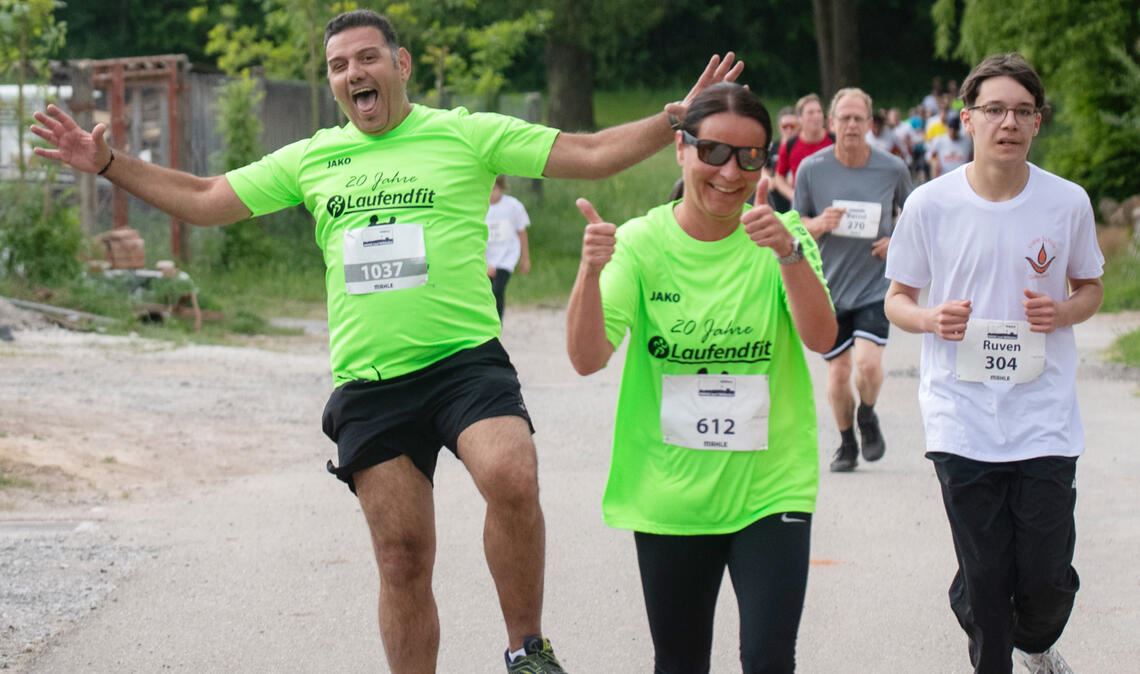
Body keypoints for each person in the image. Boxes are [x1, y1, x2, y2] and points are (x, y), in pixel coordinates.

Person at [30, 9, 744, 673]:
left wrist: (672, 121)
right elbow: (207, 198)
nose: (353, 73)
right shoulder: (314, 157)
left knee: (511, 474)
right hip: (371, 382)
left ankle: (527, 648)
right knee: (403, 557)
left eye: (367, 57)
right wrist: (107, 164)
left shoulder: (464, 133)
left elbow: (588, 152)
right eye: (339, 65)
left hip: (465, 362)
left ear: (399, 63)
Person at [566, 82, 837, 673]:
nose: (729, 172)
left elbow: (821, 340)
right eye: (713, 152)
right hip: (671, 492)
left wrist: (789, 254)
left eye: (749, 157)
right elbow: (588, 358)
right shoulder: (640, 243)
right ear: (681, 151)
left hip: (770, 489)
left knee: (769, 659)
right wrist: (590, 273)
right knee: (681, 661)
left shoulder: (781, 238)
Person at [884, 52, 1102, 674]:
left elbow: (1090, 288)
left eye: (1022, 111)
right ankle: (994, 646)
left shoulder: (1067, 203)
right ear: (968, 119)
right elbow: (898, 300)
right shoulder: (930, 204)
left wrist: (1062, 313)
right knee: (986, 576)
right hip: (961, 413)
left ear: (1038, 122)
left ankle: (1034, 638)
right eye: (995, 109)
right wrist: (929, 319)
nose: (1009, 122)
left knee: (1044, 577)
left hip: (1044, 416)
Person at [794, 87, 912, 472]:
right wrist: (819, 223)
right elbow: (795, 229)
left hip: (874, 286)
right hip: (828, 288)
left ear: (870, 124)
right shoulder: (812, 169)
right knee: (838, 371)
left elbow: (913, 223)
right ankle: (846, 444)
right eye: (843, 118)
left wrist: (895, 242)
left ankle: (868, 414)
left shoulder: (892, 168)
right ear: (831, 124)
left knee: (867, 364)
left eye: (858, 118)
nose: (851, 125)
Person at [771, 93, 833, 207]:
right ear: (800, 118)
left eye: (819, 111)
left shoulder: (835, 141)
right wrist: (794, 196)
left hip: (830, 203)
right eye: (811, 112)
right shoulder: (790, 145)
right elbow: (779, 177)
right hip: (802, 206)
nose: (817, 116)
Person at [485, 175, 531, 319]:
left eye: (495, 189)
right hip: (486, 259)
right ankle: (488, 323)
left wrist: (525, 258)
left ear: (501, 188)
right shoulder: (480, 207)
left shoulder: (513, 206)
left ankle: (498, 324)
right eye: (489, 189)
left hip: (507, 258)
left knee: (498, 290)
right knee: (487, 293)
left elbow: (521, 232)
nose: (492, 193)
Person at [763, 105, 799, 212]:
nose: (788, 130)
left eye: (792, 126)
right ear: (779, 127)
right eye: (785, 126)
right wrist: (771, 179)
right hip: (775, 202)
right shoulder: (772, 146)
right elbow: (764, 169)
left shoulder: (802, 146)